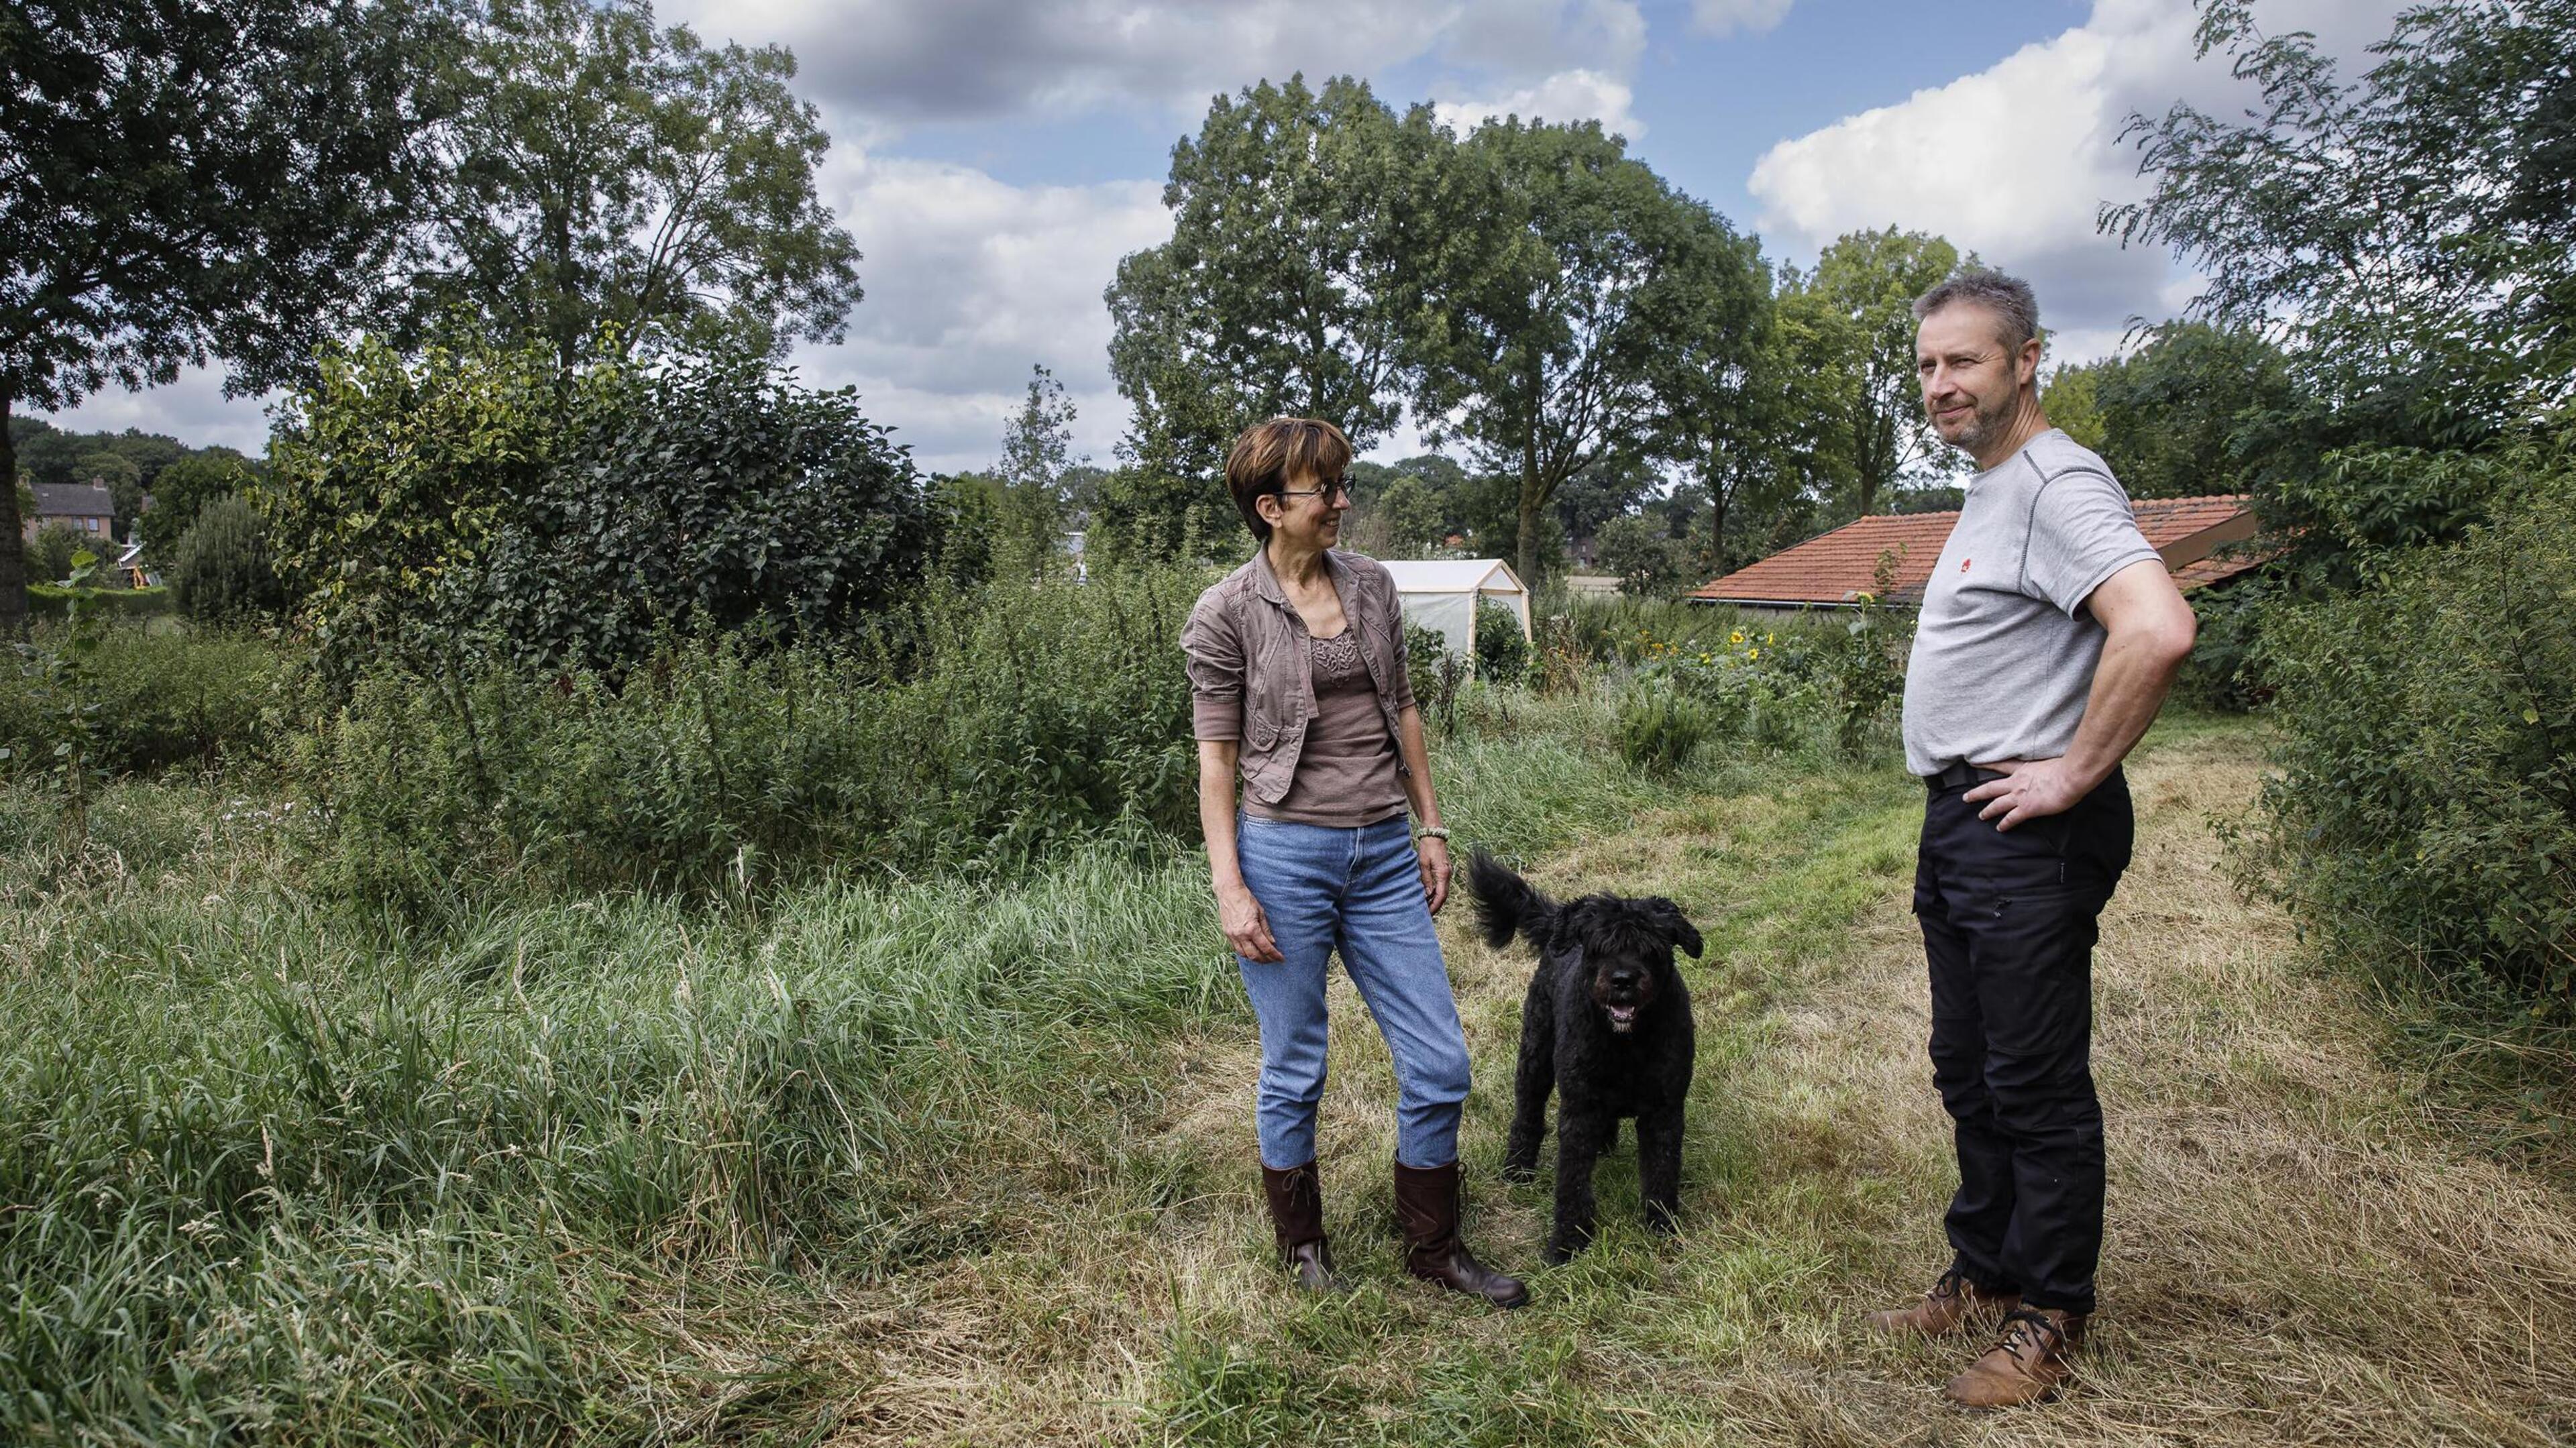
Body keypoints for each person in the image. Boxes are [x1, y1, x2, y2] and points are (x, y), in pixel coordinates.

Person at [1864, 270, 2198, 1407]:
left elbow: (2156, 629)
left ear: (2026, 360)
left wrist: (2074, 771)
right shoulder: (1992, 485)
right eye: (1926, 365)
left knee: (2035, 1081)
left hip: (2024, 834)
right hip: (1961, 819)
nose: (1941, 384)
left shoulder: (2057, 481)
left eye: (1964, 361)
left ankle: (2050, 1316)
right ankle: (1987, 1269)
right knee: (1970, 1068)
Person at [1179, 416, 1527, 1309]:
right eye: (1323, 490)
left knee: (1441, 1061)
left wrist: (1432, 827)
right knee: (1296, 1063)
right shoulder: (1225, 613)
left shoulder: (1371, 586)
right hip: (1284, 855)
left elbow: (1404, 706)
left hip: (1380, 853)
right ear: (1270, 507)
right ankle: (1302, 1247)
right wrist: (1231, 887)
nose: (1341, 503)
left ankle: (1434, 1249)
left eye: (1342, 485)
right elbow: (1215, 759)